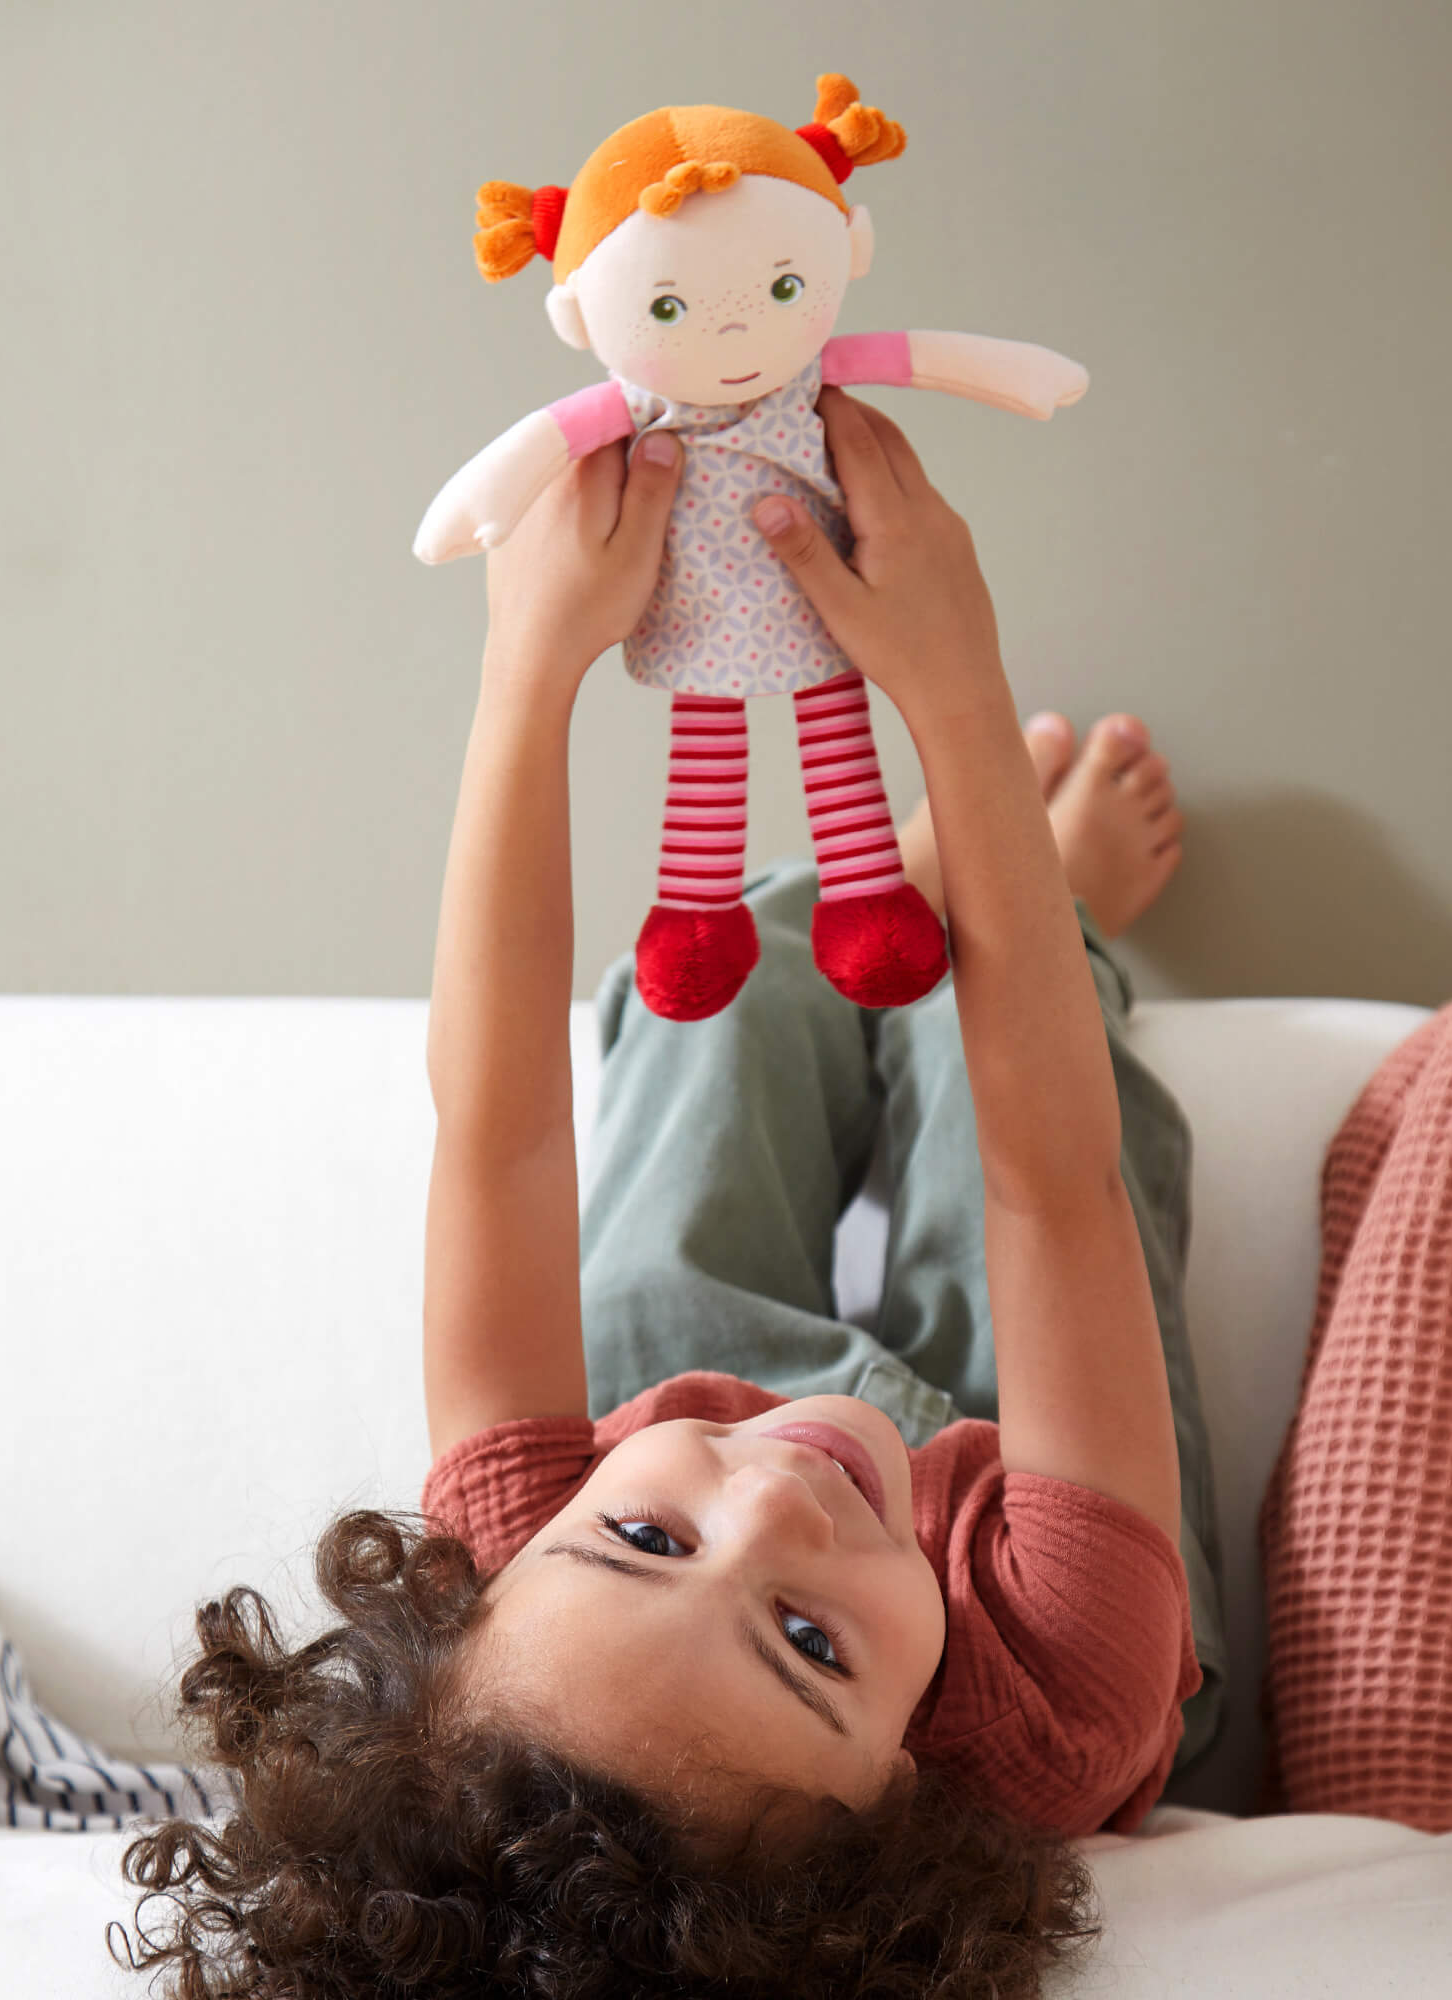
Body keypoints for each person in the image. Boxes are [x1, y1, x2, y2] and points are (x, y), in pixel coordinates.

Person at [116, 388, 1221, 2000]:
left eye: (641, 1538)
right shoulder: (1063, 1691)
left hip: (722, 1398)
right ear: (895, 1815)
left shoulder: (526, 1608)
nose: (774, 1506)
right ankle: (1043, 916)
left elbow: (499, 1138)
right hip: (1002, 1530)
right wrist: (954, 687)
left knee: (694, 1046)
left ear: (492, 1580)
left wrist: (531, 662)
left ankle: (839, 925)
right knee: (1011, 1095)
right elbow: (1051, 1186)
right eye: (806, 1645)